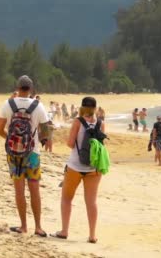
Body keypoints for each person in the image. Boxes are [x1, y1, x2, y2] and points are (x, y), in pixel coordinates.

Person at [0, 75, 51, 237]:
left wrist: (13, 141)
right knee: (35, 190)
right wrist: (40, 139)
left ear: (18, 88)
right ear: (31, 89)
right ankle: (38, 227)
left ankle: (23, 226)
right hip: (33, 154)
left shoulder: (8, 104)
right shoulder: (38, 106)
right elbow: (45, 133)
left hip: (14, 154)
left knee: (19, 191)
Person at [51, 96, 106, 244]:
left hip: (75, 165)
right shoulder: (101, 123)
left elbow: (70, 143)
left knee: (67, 198)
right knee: (91, 202)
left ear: (82, 107)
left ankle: (64, 231)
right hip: (94, 169)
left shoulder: (77, 122)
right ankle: (92, 235)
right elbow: (101, 147)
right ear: (95, 108)